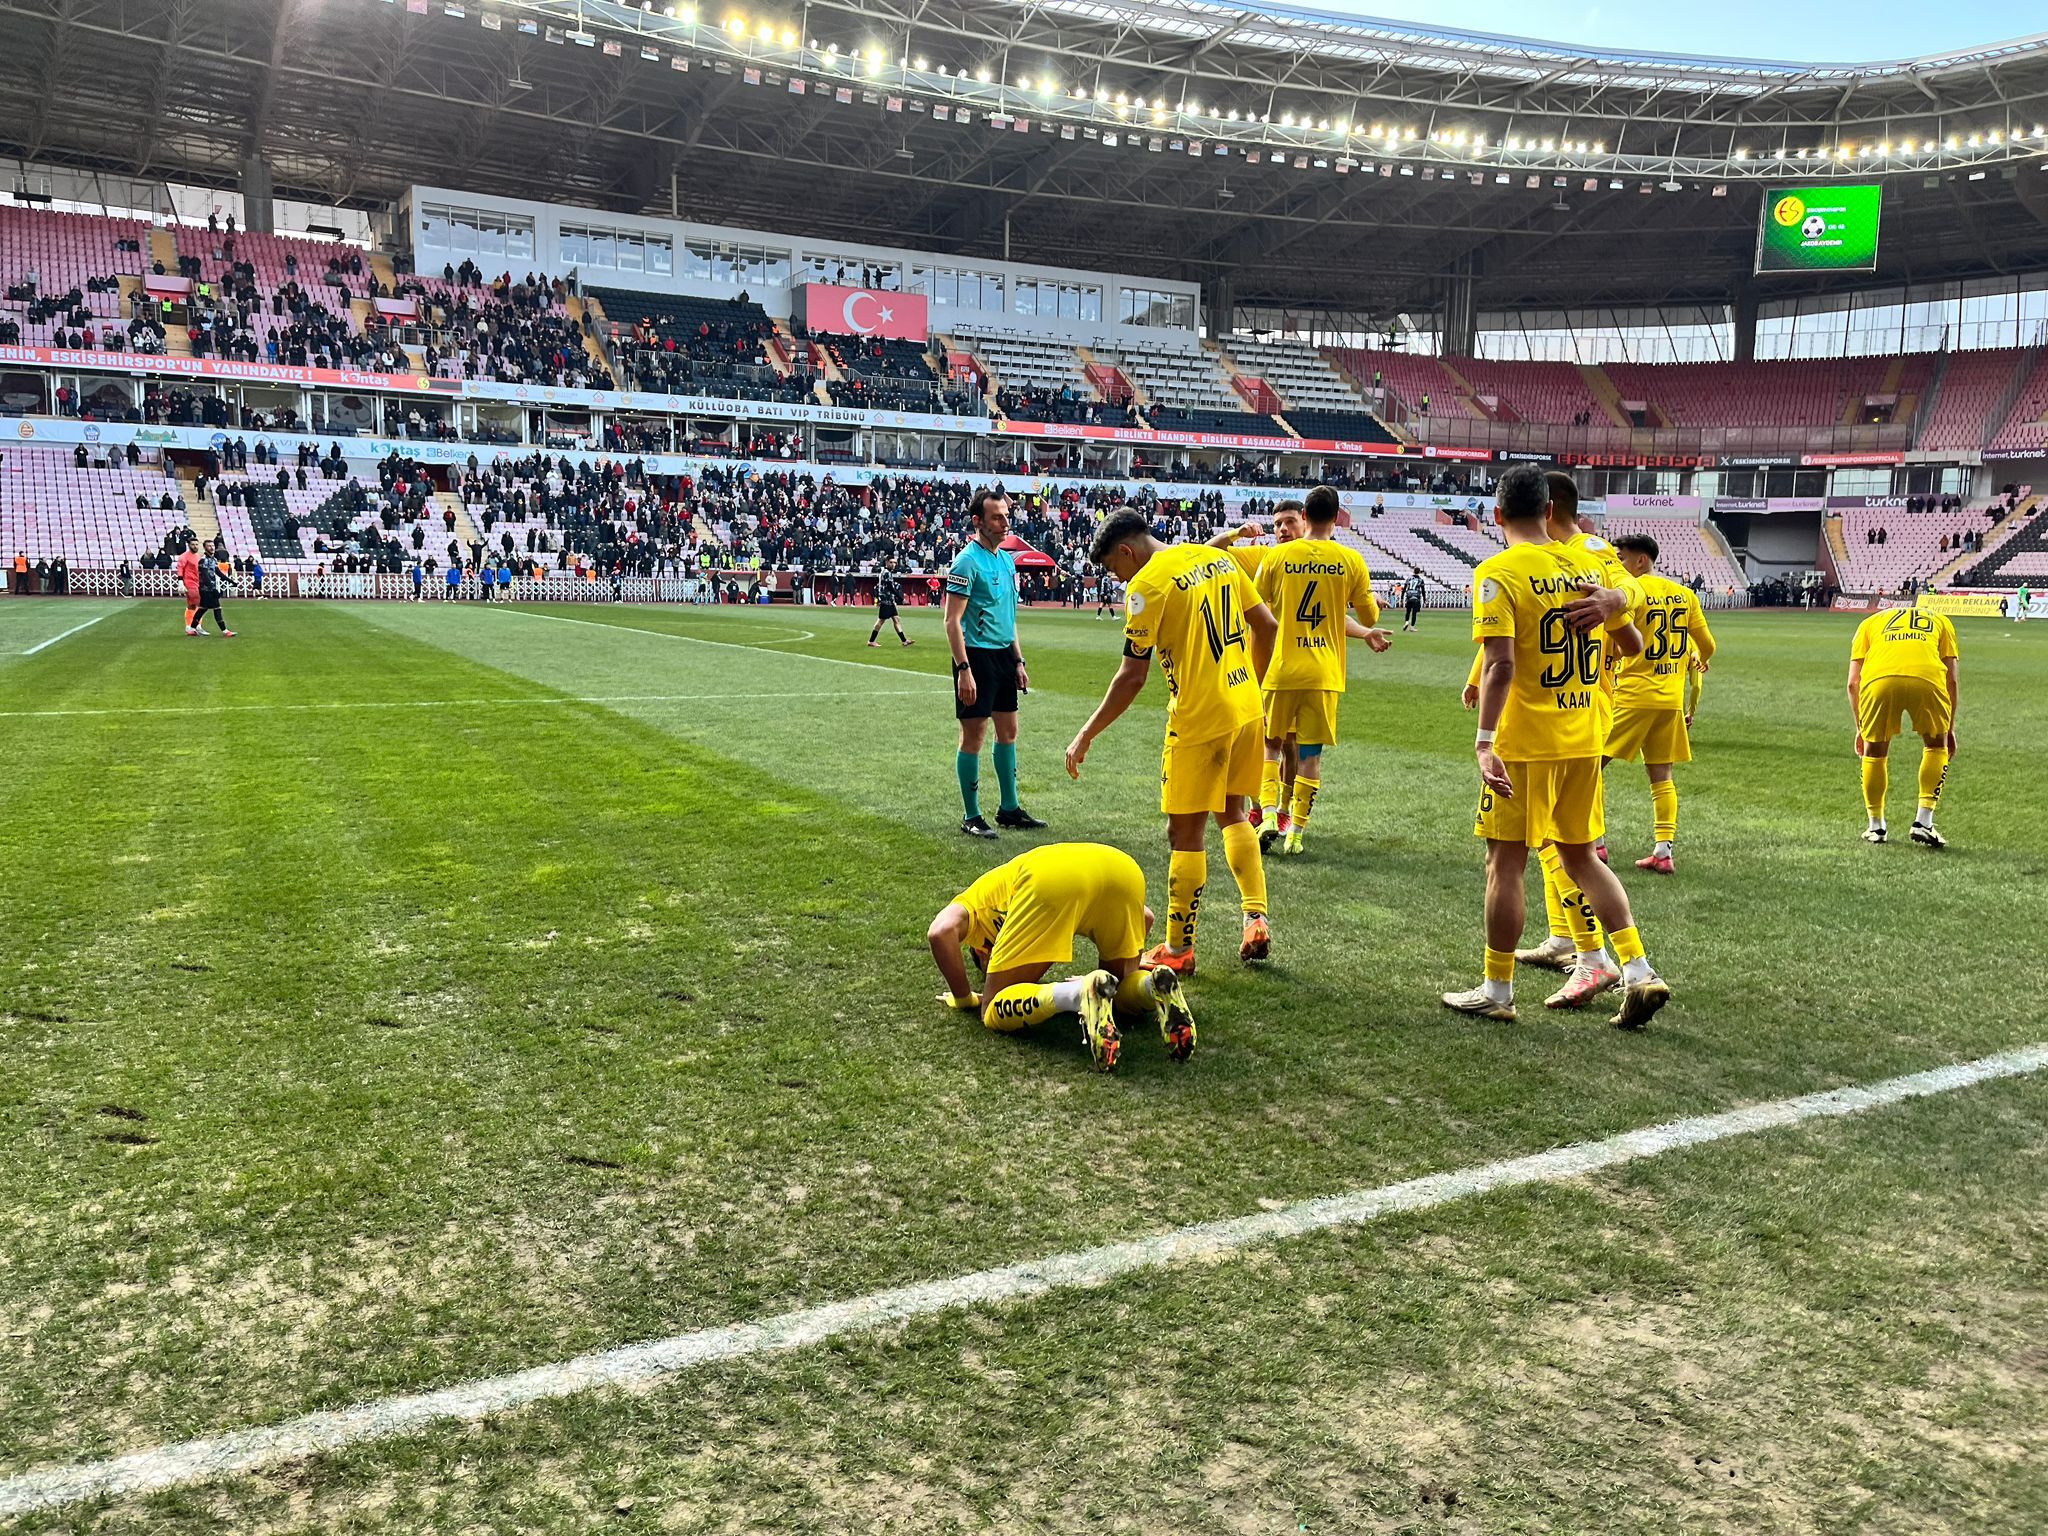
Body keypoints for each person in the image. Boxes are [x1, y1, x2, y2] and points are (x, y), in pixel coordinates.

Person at [1441, 464, 1669, 1029]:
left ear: (1496, 516)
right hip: (1584, 734)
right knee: (1580, 855)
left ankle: (1497, 989)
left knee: (1505, 864)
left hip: (1526, 741)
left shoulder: (1498, 570)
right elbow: (1634, 645)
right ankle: (1639, 971)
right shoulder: (1589, 566)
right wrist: (1615, 606)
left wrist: (1484, 742)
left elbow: (1500, 664)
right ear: (1549, 511)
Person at [1064, 505, 1279, 972]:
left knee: (1184, 833)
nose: (1118, 580)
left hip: (1200, 719)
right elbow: (1268, 627)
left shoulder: (1147, 585)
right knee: (1234, 813)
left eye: (1113, 568)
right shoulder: (1215, 558)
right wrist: (1249, 687)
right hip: (1247, 708)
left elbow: (1131, 678)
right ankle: (1255, 917)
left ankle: (1178, 951)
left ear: (1126, 551)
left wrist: (1085, 734)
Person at [926, 842, 1196, 1072]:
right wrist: (1126, 960)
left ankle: (1078, 993)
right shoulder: (1000, 888)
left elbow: (940, 932)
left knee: (992, 1009)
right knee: (1116, 987)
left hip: (1050, 880)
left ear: (981, 951)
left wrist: (964, 999)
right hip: (1122, 869)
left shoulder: (975, 908)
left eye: (983, 962)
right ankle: (1152, 986)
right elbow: (1146, 917)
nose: (988, 968)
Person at [1252, 486, 1392, 857]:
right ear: (1336, 518)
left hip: (1282, 670)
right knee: (1310, 756)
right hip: (1324, 673)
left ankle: (1267, 814)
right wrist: (1369, 606)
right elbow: (1368, 616)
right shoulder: (1350, 560)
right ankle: (1295, 832)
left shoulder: (1278, 556)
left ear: (1305, 517)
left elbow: (1255, 603)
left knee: (1271, 744)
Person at [1604, 534, 1716, 876]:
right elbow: (1708, 645)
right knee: (1662, 775)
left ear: (1641, 561)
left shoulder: (1631, 593)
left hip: (1634, 694)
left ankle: (1593, 842)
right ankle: (1663, 851)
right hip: (1670, 700)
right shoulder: (1685, 596)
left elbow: (1615, 645)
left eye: (1621, 558)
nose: (1617, 565)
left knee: (1589, 766)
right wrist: (1693, 658)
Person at [945, 489, 1043, 838]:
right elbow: (951, 621)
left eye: (1006, 516)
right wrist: (963, 669)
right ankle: (971, 816)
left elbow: (1009, 616)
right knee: (975, 735)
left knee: (1009, 732)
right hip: (976, 656)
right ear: (978, 522)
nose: (1005, 523)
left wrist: (1018, 659)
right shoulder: (966, 562)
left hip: (1003, 655)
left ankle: (1009, 809)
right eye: (997, 518)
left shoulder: (1006, 560)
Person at [1849, 606, 1958, 848]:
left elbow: (1853, 683)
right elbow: (1951, 679)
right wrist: (1949, 728)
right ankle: (1924, 821)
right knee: (1936, 746)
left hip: (1879, 680)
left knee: (1874, 752)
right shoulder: (1942, 621)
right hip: (1927, 678)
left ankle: (1876, 827)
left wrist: (1861, 728)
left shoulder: (1868, 624)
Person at [193, 539, 237, 636]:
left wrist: (230, 581)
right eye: (209, 546)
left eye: (213, 546)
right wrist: (212, 588)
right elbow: (205, 575)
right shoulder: (203, 560)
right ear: (205, 548)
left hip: (209, 588)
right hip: (206, 589)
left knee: (203, 608)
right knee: (217, 608)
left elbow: (218, 572)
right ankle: (225, 631)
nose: (212, 548)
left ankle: (192, 627)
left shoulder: (213, 559)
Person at [868, 569, 913, 648]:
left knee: (896, 619)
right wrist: (900, 597)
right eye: (891, 562)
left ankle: (904, 641)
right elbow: (890, 587)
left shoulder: (885, 572)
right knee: (881, 620)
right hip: (886, 600)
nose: (893, 564)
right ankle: (871, 641)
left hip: (890, 601)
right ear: (887, 562)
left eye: (894, 562)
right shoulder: (886, 573)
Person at [176, 538, 202, 633]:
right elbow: (180, 569)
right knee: (198, 604)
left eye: (196, 544)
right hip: (189, 583)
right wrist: (180, 582)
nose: (195, 546)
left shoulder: (198, 556)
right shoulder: (184, 557)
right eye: (193, 544)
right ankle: (195, 625)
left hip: (198, 582)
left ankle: (191, 626)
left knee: (192, 605)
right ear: (189, 545)